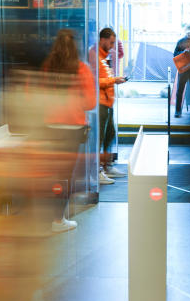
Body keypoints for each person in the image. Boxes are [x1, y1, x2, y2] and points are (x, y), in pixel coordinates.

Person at [41, 29, 96, 232]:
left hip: (50, 127)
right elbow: (90, 103)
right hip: (72, 128)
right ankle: (58, 220)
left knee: (53, 173)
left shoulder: (47, 67)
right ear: (77, 47)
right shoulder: (82, 69)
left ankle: (48, 216)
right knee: (65, 175)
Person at [97, 27, 126, 185]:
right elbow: (96, 81)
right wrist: (114, 80)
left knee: (109, 136)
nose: (113, 46)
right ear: (103, 39)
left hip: (107, 104)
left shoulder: (103, 58)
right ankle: (98, 171)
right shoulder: (95, 57)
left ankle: (106, 166)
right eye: (111, 42)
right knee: (101, 138)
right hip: (100, 104)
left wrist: (114, 79)